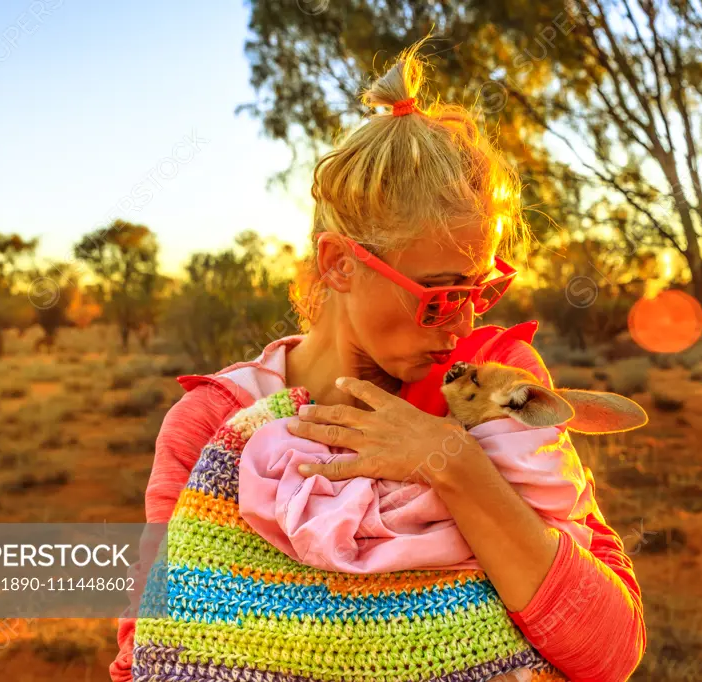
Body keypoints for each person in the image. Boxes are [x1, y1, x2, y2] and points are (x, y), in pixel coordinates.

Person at [110, 40, 645, 682]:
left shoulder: (491, 387)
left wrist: (454, 464)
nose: (464, 325)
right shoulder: (214, 423)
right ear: (339, 263)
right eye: (442, 295)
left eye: (480, 291)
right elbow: (153, 657)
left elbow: (610, 649)